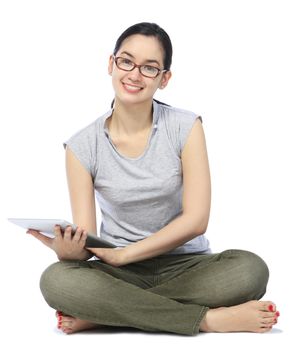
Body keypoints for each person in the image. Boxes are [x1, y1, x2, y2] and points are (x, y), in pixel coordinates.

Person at [27, 22, 279, 336]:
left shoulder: (185, 126)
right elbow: (88, 240)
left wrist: (124, 254)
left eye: (150, 68)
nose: (134, 74)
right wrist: (69, 252)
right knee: (56, 279)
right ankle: (207, 320)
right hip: (118, 274)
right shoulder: (80, 146)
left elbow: (197, 220)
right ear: (111, 63)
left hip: (187, 266)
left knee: (251, 270)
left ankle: (107, 315)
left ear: (164, 78)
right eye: (126, 61)